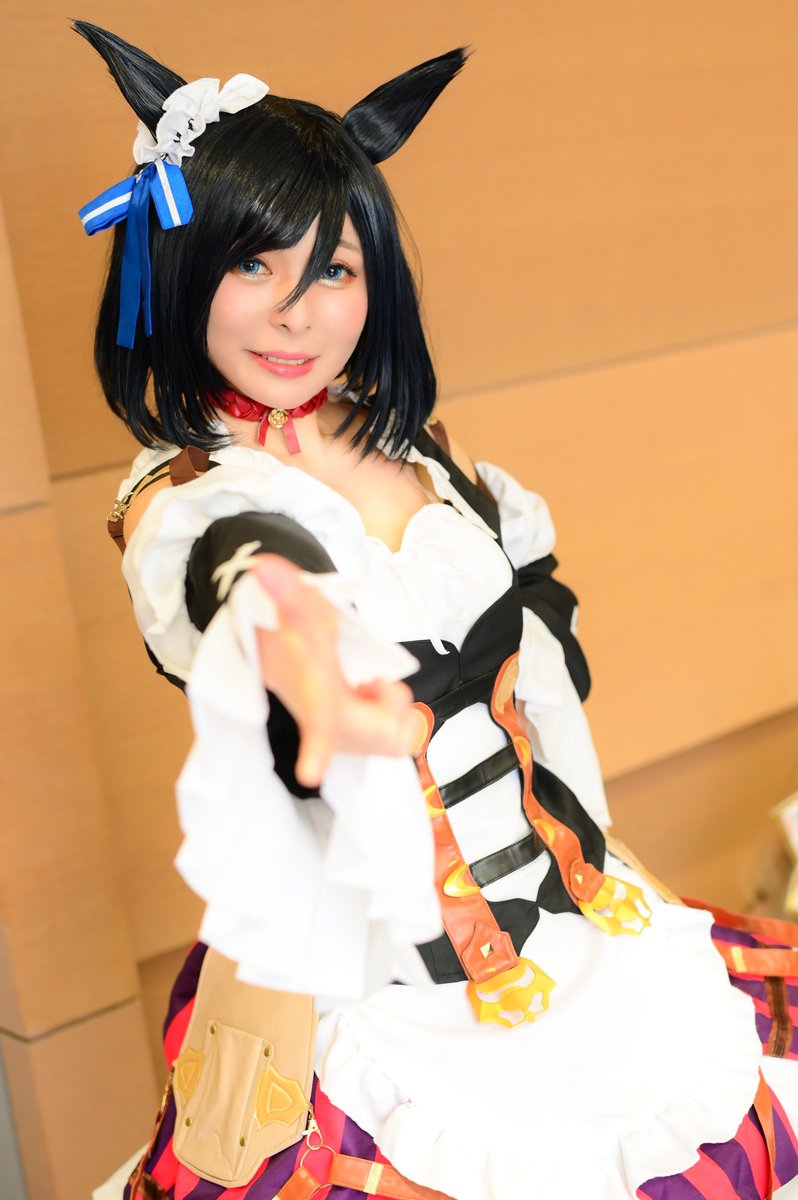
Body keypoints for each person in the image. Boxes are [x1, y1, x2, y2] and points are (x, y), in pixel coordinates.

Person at [77, 20, 798, 1200]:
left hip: (572, 930)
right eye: (253, 266)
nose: (296, 314)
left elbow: (545, 701)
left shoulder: (433, 460)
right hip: (376, 991)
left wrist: (599, 856)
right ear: (179, 265)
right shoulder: (188, 499)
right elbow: (223, 578)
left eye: (333, 270)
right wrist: (289, 645)